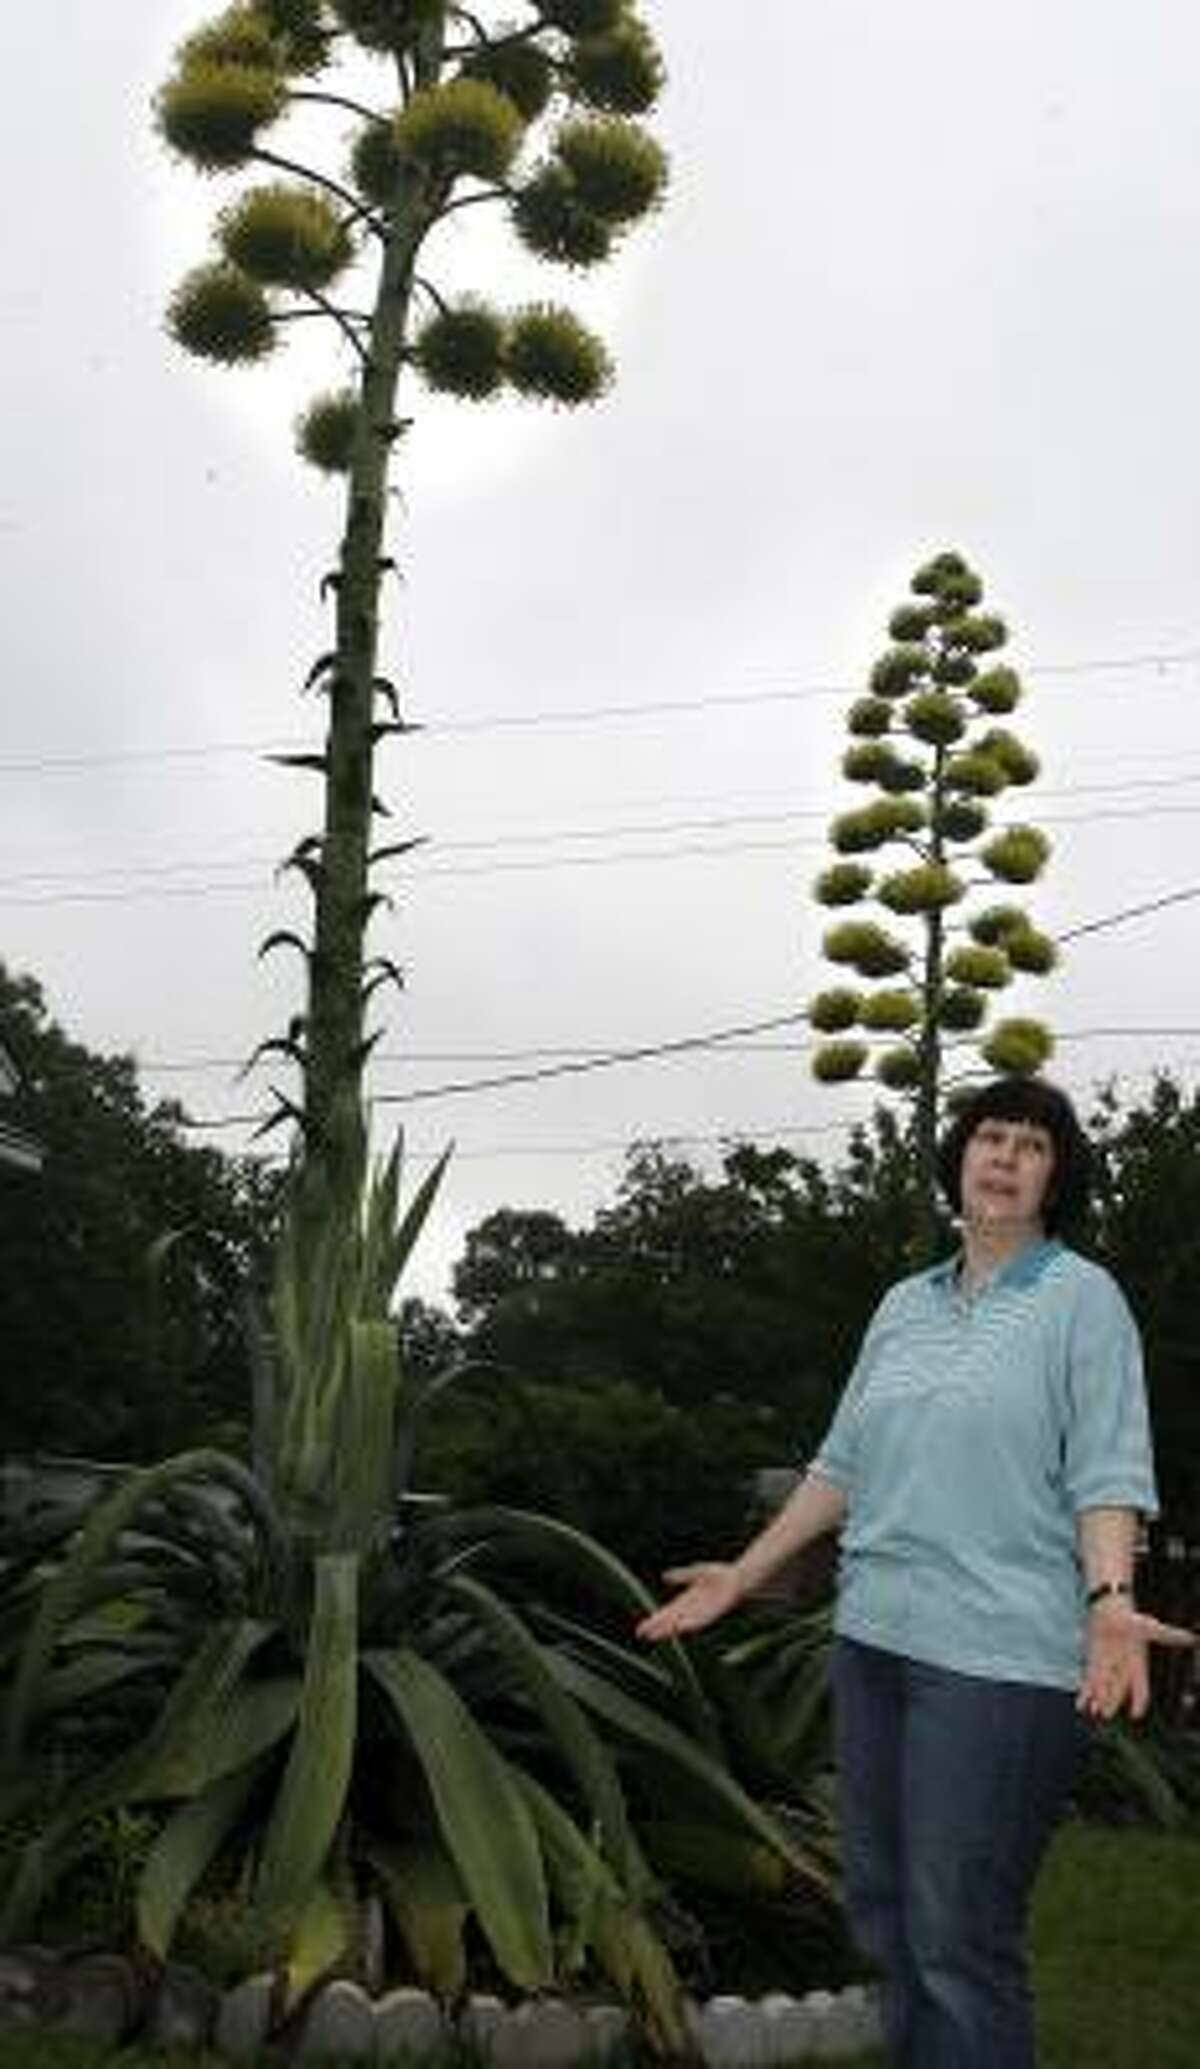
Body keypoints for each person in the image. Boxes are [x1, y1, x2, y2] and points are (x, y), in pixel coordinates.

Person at [637, 1078, 1196, 2069]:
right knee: (888, 1920)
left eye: (1032, 1143)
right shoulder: (905, 1303)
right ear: (961, 1157)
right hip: (875, 1645)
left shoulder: (1082, 1299)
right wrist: (744, 1572)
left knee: (957, 1936)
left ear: (1054, 1175)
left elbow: (1108, 1465)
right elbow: (840, 1465)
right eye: (992, 1135)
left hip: (997, 1660)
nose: (1006, 1155)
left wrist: (1111, 1600)